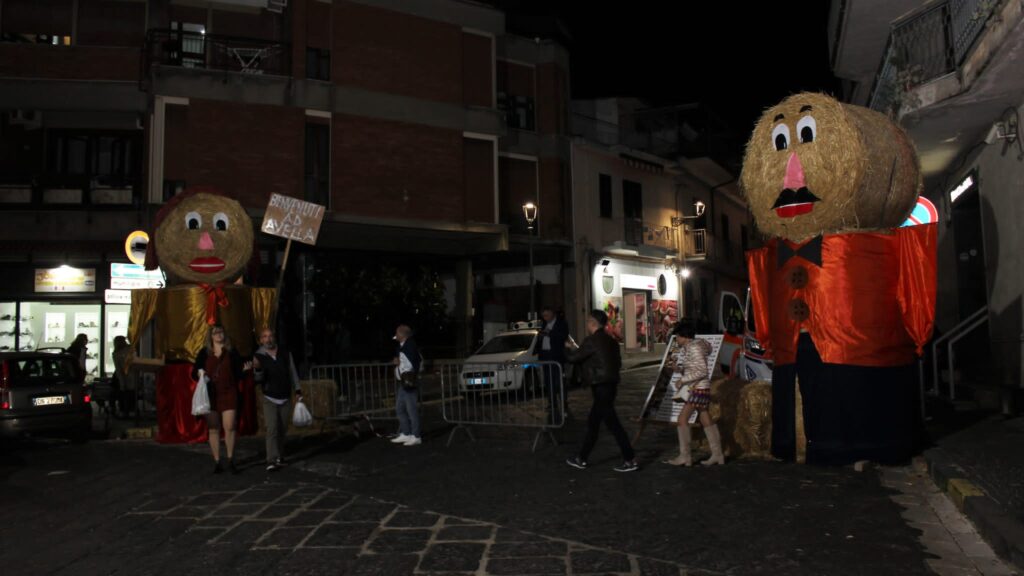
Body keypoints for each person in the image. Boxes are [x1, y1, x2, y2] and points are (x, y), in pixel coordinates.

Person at [564, 310, 638, 473]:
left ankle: (630, 459)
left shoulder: (591, 340)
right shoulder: (611, 341)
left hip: (601, 386)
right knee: (594, 423)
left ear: (592, 323)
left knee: (613, 425)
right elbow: (611, 361)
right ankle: (581, 458)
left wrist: (568, 348)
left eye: (588, 321)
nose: (586, 324)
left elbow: (574, 358)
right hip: (610, 385)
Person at [662, 322, 725, 466]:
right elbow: (694, 369)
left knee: (682, 419)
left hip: (697, 388)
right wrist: (678, 369)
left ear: (684, 336)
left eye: (677, 336)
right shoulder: (692, 347)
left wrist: (682, 380)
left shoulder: (694, 348)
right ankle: (718, 455)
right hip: (699, 387)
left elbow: (702, 370)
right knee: (705, 418)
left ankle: (685, 456)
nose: (676, 339)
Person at [191, 324, 251, 474]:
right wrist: (199, 374)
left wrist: (244, 371)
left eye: (220, 332)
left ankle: (231, 459)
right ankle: (217, 461)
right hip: (211, 395)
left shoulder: (232, 352)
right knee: (213, 428)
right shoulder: (204, 353)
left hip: (229, 392)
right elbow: (194, 372)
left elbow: (238, 374)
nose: (218, 334)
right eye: (215, 332)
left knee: (230, 426)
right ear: (210, 336)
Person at [253, 328, 302, 472]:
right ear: (261, 340)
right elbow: (257, 380)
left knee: (282, 428)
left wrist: (298, 390)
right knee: (272, 428)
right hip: (270, 396)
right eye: (265, 336)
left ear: (274, 337)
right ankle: (271, 459)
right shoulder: (258, 356)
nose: (268, 339)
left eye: (270, 336)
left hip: (285, 395)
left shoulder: (285, 352)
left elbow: (293, 371)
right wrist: (257, 369)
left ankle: (280, 456)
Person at [533, 307, 569, 425]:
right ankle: (552, 403)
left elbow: (562, 337)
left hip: (556, 357)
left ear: (553, 314)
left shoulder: (561, 323)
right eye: (543, 315)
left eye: (547, 315)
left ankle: (563, 403)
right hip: (545, 356)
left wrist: (549, 333)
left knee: (559, 381)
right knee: (548, 382)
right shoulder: (544, 324)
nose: (545, 318)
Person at [391, 324, 422, 446]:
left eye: (397, 333)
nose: (395, 335)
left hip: (409, 382)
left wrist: (398, 363)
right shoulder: (404, 346)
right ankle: (406, 433)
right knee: (400, 408)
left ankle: (415, 435)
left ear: (402, 334)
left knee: (411, 410)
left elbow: (409, 365)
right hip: (404, 382)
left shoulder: (409, 346)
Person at [111, 336, 136, 418]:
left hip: (122, 375)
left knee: (122, 393)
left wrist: (122, 383)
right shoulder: (130, 349)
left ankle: (123, 411)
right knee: (131, 393)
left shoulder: (116, 353)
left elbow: (118, 369)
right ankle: (131, 410)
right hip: (132, 374)